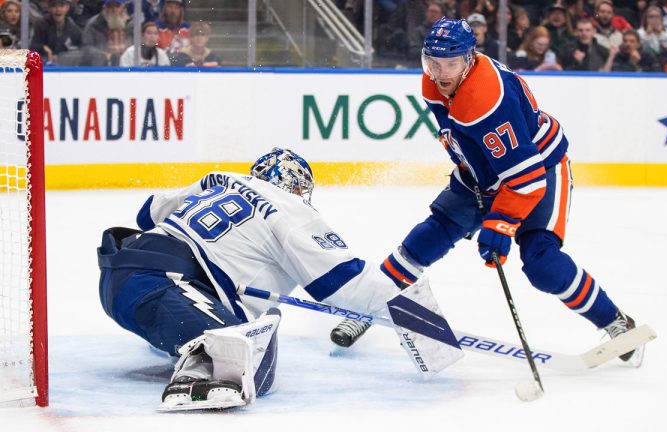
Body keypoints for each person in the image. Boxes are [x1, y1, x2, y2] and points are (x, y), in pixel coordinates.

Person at [330, 17, 646, 367]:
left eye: (451, 63)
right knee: (429, 236)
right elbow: (462, 140)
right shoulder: (433, 83)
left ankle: (616, 322)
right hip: (483, 172)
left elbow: (526, 178)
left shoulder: (488, 99)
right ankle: (371, 305)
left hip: (540, 169)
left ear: (469, 59)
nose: (441, 72)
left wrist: (500, 223)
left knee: (543, 264)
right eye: (433, 62)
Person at [97, 148, 445, 410]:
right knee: (252, 364)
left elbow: (147, 213)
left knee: (252, 324)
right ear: (296, 188)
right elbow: (345, 283)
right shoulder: (290, 211)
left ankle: (189, 333)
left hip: (118, 278)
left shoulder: (219, 180)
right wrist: (421, 320)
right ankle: (199, 365)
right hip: (164, 286)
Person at [83, 0, 133, 66]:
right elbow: (87, 48)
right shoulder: (94, 24)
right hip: (103, 65)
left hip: (128, 64)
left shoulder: (132, 24)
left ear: (123, 6)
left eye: (117, 6)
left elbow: (140, 45)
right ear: (105, 7)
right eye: (110, 6)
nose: (114, 9)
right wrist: (103, 56)